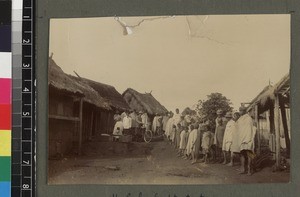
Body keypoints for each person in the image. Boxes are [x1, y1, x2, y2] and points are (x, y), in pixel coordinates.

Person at [237, 106, 256, 175]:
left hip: (248, 139)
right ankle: (243, 169)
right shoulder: (240, 119)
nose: (240, 112)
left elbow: (251, 129)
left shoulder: (248, 118)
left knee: (249, 154)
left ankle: (249, 170)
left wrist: (249, 138)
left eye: (241, 110)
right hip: (241, 138)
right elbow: (239, 129)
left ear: (244, 111)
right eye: (239, 110)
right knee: (242, 154)